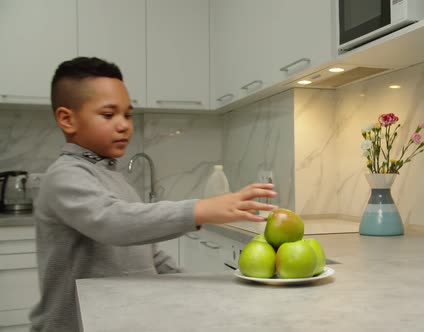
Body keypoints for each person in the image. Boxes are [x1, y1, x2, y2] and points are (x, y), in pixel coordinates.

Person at [28, 57, 277, 332]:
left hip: (115, 320)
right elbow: (112, 222)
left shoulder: (116, 179)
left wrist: (204, 290)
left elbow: (151, 257)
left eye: (127, 114)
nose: (124, 125)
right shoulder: (65, 175)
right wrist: (200, 209)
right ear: (67, 119)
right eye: (109, 115)